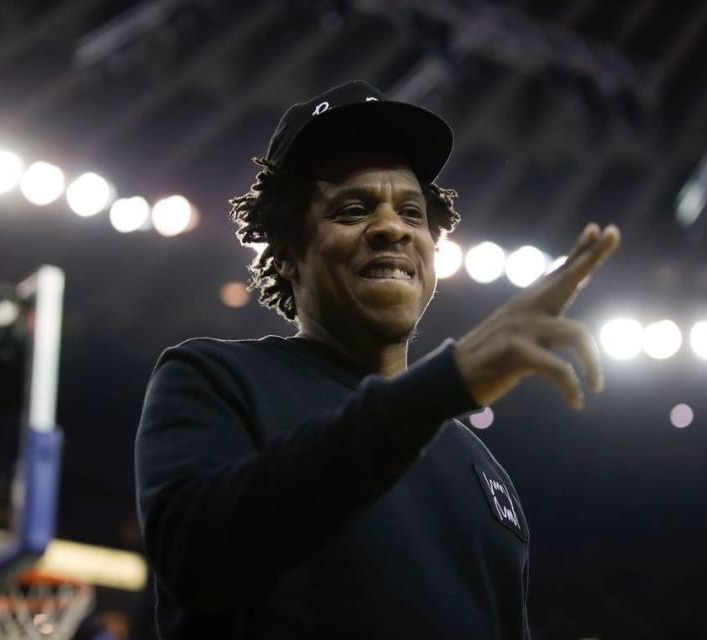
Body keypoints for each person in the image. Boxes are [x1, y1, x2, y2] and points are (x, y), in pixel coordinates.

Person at [135, 80, 620, 639]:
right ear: (289, 253)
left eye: (412, 214)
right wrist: (443, 386)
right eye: (353, 208)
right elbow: (194, 564)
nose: (392, 228)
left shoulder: (485, 472)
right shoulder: (215, 379)